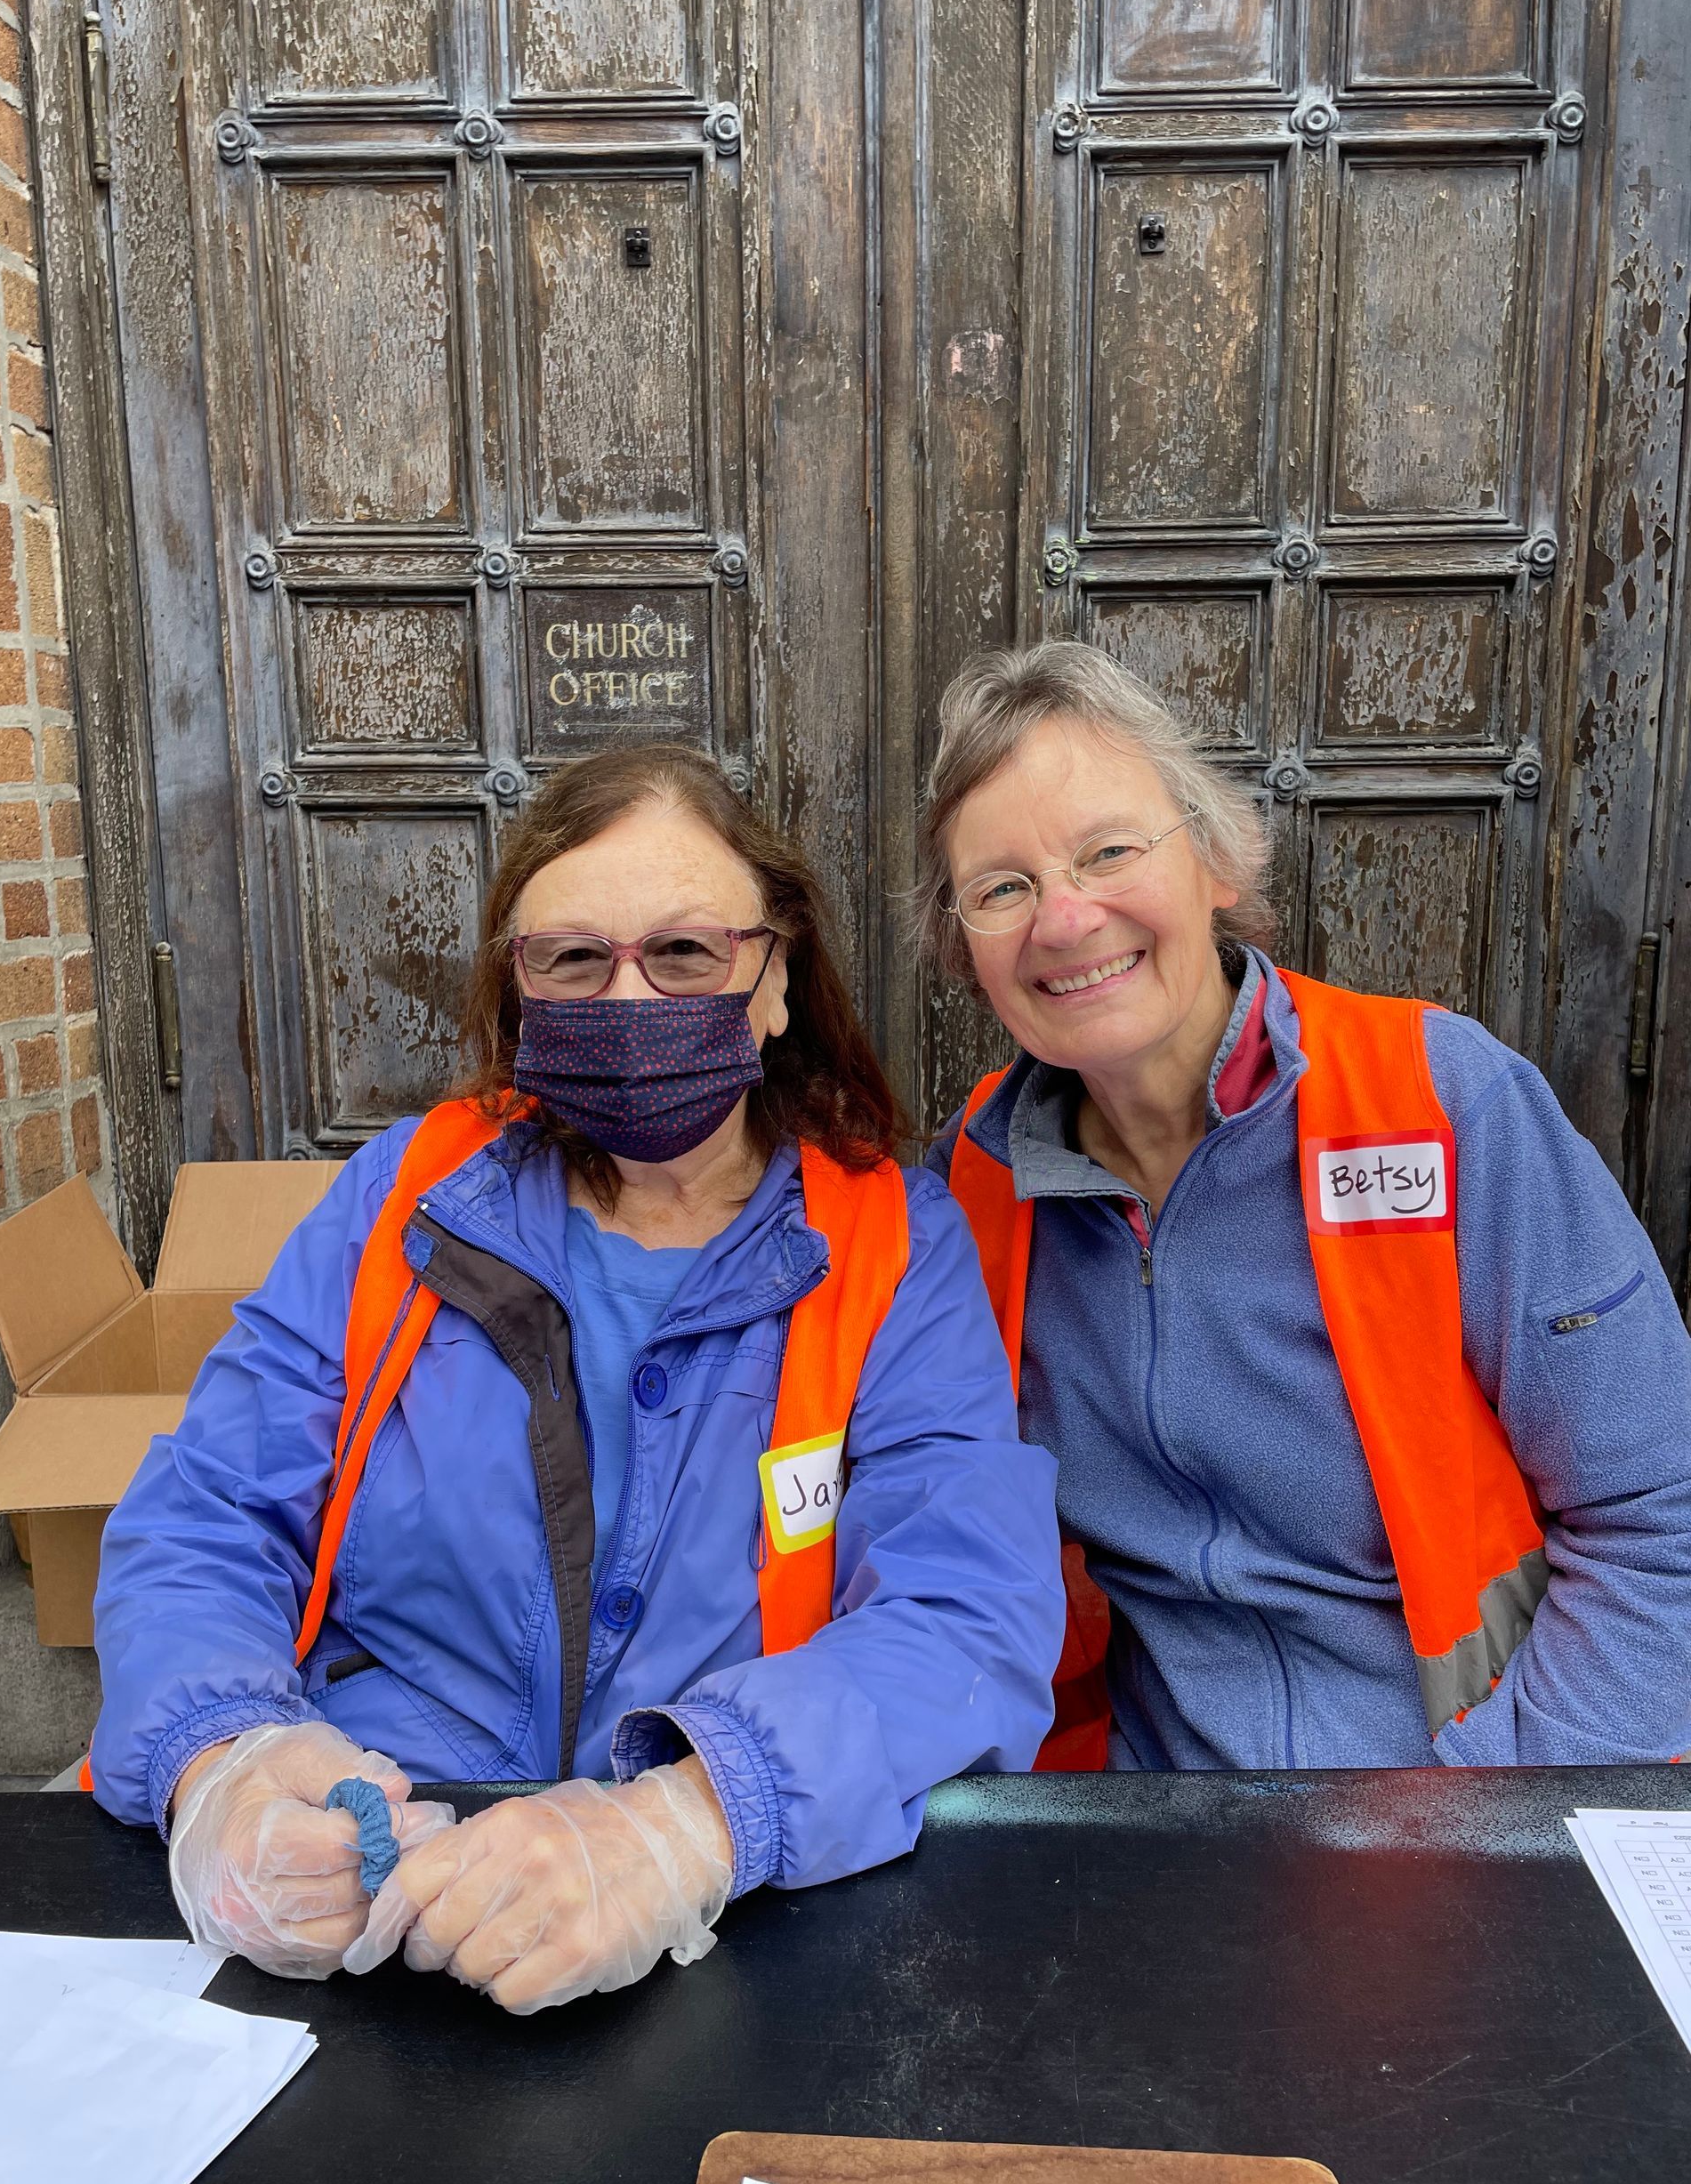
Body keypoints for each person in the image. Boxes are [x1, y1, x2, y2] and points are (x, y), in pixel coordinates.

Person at [91, 744, 1064, 2012]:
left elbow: (966, 1613)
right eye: (574, 961)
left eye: (685, 955)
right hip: (377, 1894)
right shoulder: (403, 1201)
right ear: (520, 988)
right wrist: (221, 1759)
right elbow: (206, 1513)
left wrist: (688, 1823)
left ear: (775, 984)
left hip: (723, 1930)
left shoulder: (889, 1247)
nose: (631, 999)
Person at [916, 641, 1691, 1772]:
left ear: (1218, 862)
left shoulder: (1441, 1101)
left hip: (1465, 1798)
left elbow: (1660, 1522)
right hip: (1138, 1840)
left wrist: (1509, 1824)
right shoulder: (975, 1179)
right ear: (963, 947)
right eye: (1004, 888)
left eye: (1110, 851)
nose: (1067, 919)